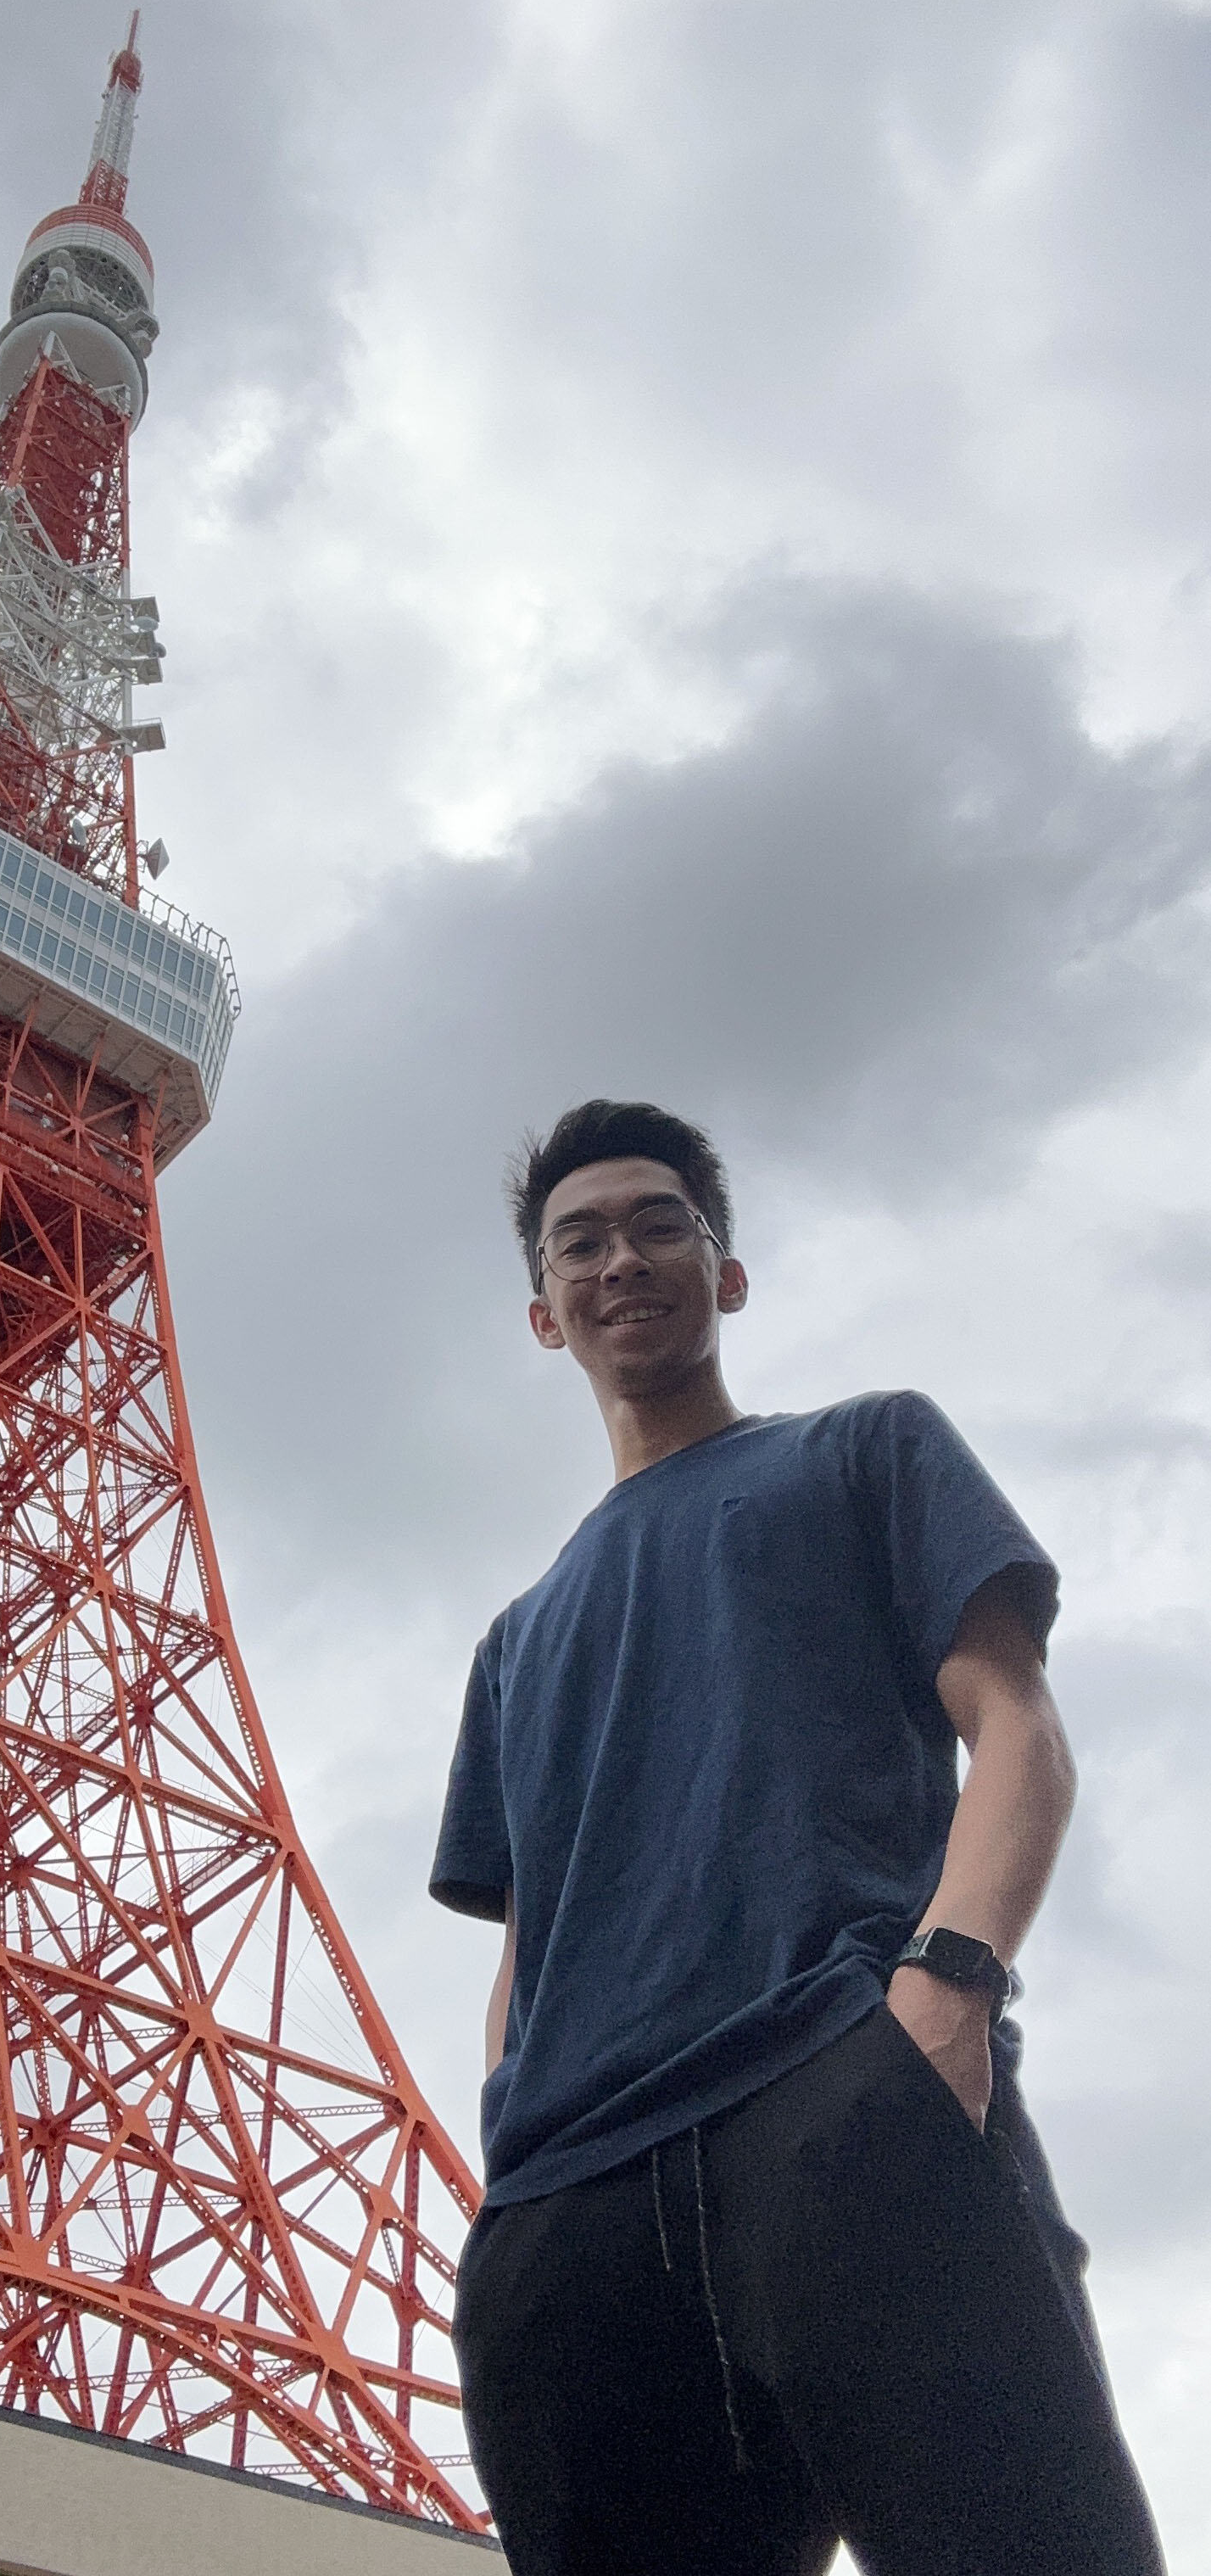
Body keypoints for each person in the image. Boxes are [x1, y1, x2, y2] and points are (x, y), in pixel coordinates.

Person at [431, 1099, 1164, 2576]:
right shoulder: (514, 1642)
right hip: (567, 2204)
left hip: (835, 2094)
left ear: (728, 1273)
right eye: (581, 1240)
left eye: (661, 1225)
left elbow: (1012, 1721)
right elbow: (529, 1939)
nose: (622, 1259)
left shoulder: (864, 1451)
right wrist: (512, 2153)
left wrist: (943, 1998)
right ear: (540, 1312)